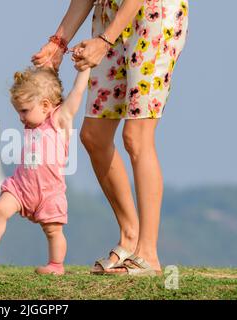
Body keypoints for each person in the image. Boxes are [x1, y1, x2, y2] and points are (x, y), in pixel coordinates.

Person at [32, 0, 189, 276]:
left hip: (154, 17)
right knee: (94, 136)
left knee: (136, 136)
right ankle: (130, 238)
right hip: (109, 16)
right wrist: (59, 42)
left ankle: (149, 254)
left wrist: (104, 41)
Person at [0, 67, 91, 275]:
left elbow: (77, 93)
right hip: (21, 187)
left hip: (49, 193)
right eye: (18, 112)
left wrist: (85, 69)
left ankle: (56, 265)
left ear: (45, 105)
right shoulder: (32, 125)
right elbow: (44, 82)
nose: (20, 118)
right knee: (0, 208)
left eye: (24, 111)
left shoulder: (58, 121)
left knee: (53, 231)